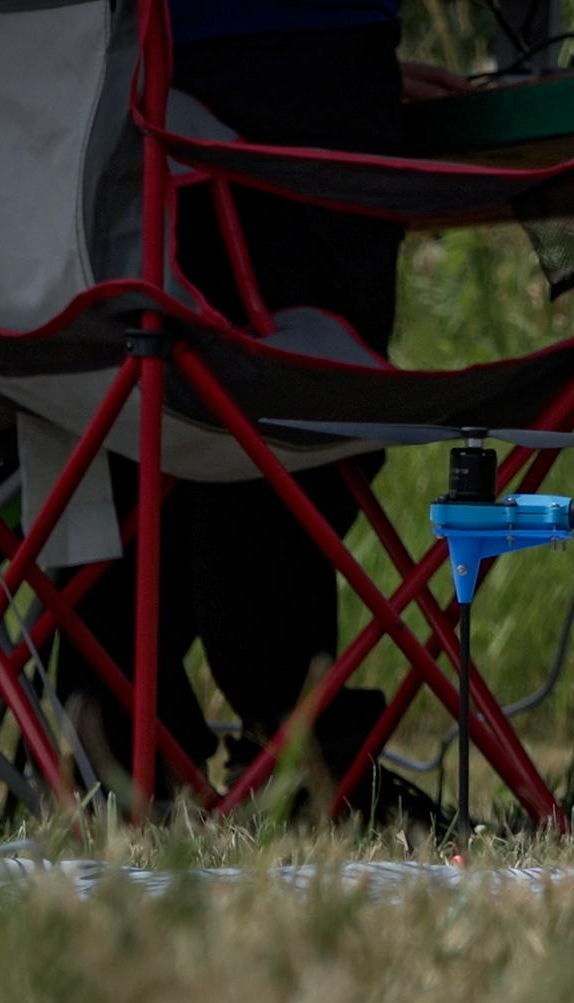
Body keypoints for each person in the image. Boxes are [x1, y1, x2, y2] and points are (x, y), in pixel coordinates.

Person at [58, 1, 466, 818]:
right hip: (288, 54)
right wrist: (332, 74)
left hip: (57, 91)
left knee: (133, 389)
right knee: (284, 390)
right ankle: (296, 744)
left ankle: (127, 752)